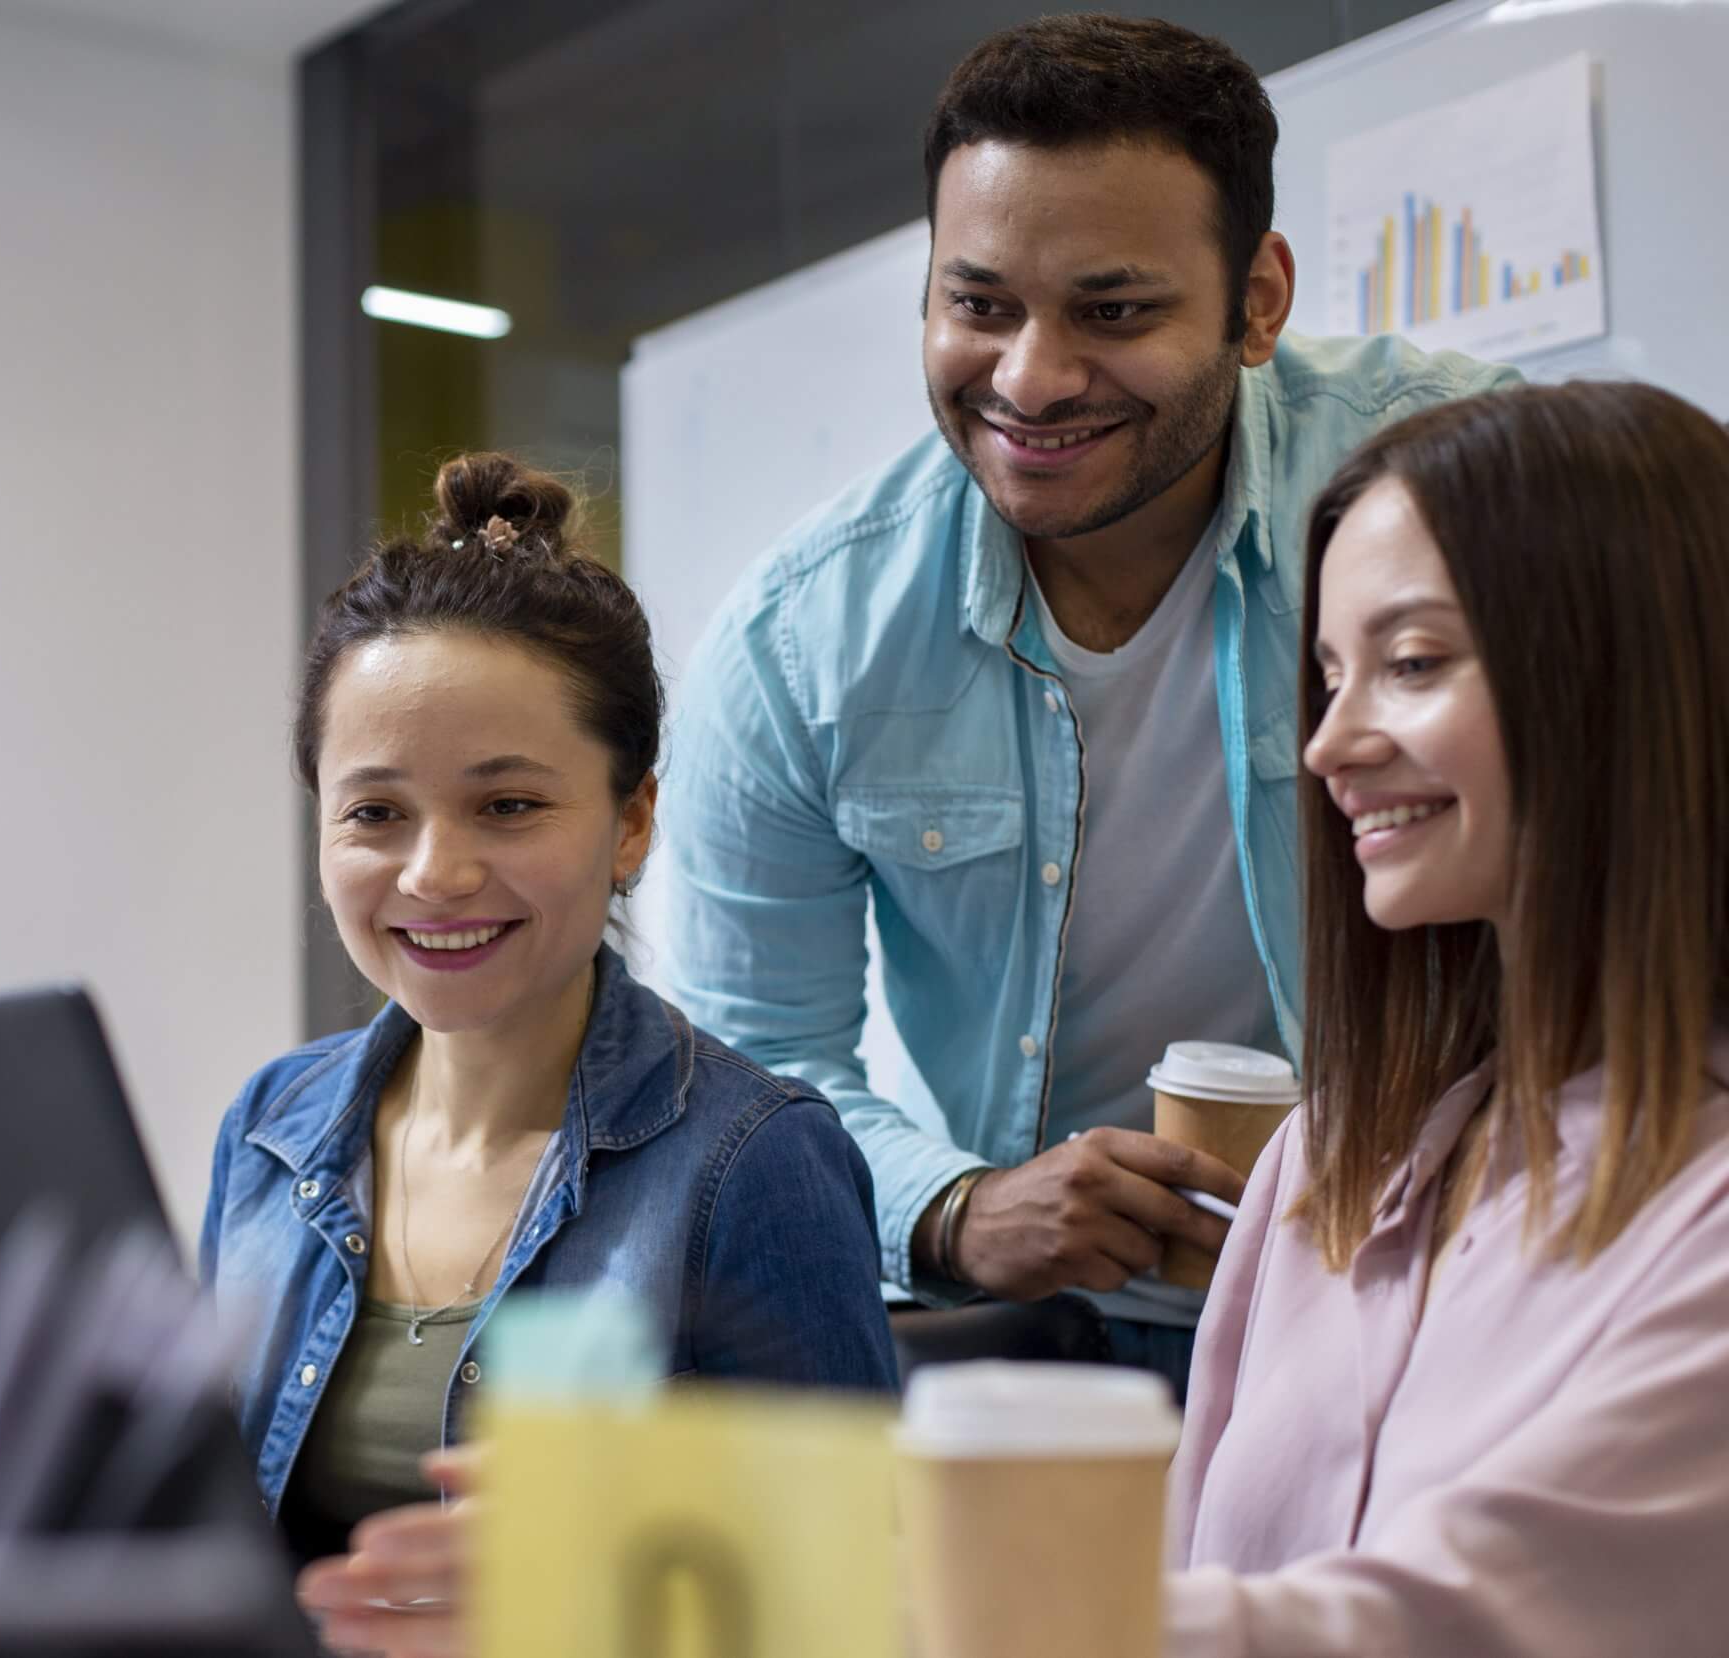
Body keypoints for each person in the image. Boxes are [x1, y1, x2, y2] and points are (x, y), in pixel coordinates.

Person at [650, 13, 1517, 1392]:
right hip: (1077, 1338)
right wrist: (955, 1207)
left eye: (1114, 312)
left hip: (1460, 1281)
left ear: (1259, 300)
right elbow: (747, 1065)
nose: (1032, 378)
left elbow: (1648, 808)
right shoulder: (804, 642)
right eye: (979, 304)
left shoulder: (1458, 478)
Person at [198, 452, 898, 1566]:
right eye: (375, 810)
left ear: (630, 824)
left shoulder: (751, 1159)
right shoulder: (270, 1128)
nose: (433, 872)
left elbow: (860, 1591)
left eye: (508, 804)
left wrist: (583, 1585)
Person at [1166, 381, 1729, 1653]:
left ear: (1625, 674)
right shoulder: (1328, 1153)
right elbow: (1186, 1548)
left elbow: (1455, 1624)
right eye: (1328, 675)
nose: (1327, 744)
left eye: (1411, 663)